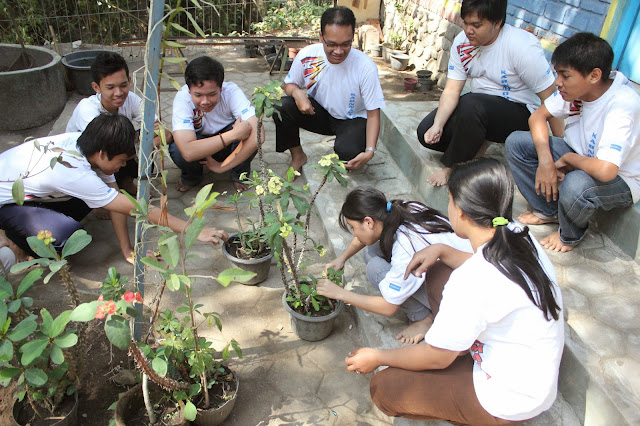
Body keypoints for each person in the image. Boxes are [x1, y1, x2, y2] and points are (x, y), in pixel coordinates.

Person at [344, 158, 564, 425]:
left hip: (508, 399)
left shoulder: (471, 281)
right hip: (530, 372)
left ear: (459, 210)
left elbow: (436, 357)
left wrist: (377, 356)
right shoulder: (517, 231)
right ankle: (454, 344)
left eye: (448, 200)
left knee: (384, 386)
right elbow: (490, 268)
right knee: (436, 272)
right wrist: (443, 250)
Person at [0, 114, 227, 264]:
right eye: (122, 160)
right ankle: (16, 241)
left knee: (101, 197)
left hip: (31, 193)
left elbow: (117, 200)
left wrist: (128, 251)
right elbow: (140, 209)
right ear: (102, 154)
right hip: (6, 203)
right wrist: (196, 230)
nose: (124, 165)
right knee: (64, 237)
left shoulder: (88, 144)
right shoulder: (74, 172)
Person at [505, 33, 640, 253]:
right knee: (517, 143)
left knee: (576, 184)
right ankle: (548, 211)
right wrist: (546, 161)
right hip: (584, 156)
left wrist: (569, 159)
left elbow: (606, 171)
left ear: (594, 75)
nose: (558, 82)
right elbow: (537, 117)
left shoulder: (623, 104)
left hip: (623, 177)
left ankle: (570, 235)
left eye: (565, 76)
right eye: (558, 74)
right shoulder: (576, 90)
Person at [416, 0, 561, 186]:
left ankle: (455, 167)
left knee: (471, 104)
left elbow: (552, 98)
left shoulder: (521, 47)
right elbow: (452, 89)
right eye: (465, 23)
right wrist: (438, 125)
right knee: (425, 134)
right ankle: (479, 141)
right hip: (479, 108)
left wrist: (559, 152)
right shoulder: (462, 43)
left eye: (476, 25)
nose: (469, 30)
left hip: (519, 114)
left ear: (497, 22)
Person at [317, 186, 471, 344]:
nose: (354, 233)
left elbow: (389, 307)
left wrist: (339, 293)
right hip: (454, 270)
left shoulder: (406, 249)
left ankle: (425, 318)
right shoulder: (400, 208)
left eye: (353, 227)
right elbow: (364, 237)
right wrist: (342, 258)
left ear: (369, 222)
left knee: (375, 268)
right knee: (371, 251)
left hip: (460, 301)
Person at [273, 6, 385, 172]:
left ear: (352, 37)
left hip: (352, 119)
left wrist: (370, 151)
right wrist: (297, 93)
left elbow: (373, 112)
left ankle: (347, 143)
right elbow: (289, 84)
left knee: (348, 153)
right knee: (281, 107)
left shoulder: (365, 67)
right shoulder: (307, 56)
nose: (338, 51)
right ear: (321, 37)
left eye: (345, 44)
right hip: (320, 113)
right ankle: (298, 156)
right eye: (331, 44)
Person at [66, 51, 171, 196]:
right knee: (131, 145)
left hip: (114, 150)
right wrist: (145, 144)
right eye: (110, 87)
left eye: (123, 85)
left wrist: (154, 139)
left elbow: (163, 131)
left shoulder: (131, 99)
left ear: (129, 80)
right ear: (96, 87)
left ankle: (127, 183)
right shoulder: (88, 110)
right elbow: (103, 152)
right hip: (89, 157)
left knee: (145, 138)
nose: (119, 93)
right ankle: (98, 197)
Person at [170, 56, 259, 192]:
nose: (205, 101)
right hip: (203, 143)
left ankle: (238, 174)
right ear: (189, 91)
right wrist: (233, 134)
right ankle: (192, 177)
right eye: (198, 95)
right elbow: (187, 152)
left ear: (221, 88)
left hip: (227, 145)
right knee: (177, 149)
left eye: (212, 94)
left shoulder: (232, 92)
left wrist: (221, 167)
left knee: (249, 132)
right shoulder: (182, 99)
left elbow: (258, 136)